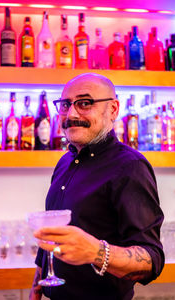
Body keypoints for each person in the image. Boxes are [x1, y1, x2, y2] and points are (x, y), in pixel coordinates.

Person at [30, 73, 164, 300]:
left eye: (84, 103)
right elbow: (50, 243)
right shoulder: (65, 162)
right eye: (65, 105)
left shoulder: (130, 167)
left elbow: (152, 261)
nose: (71, 114)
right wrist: (35, 291)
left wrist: (95, 252)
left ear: (112, 110)